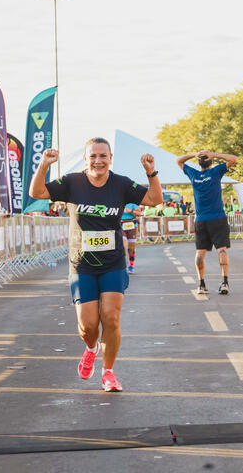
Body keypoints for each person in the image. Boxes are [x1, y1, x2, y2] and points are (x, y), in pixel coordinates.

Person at [29, 137, 162, 392]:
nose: (98, 161)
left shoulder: (121, 184)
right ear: (85, 158)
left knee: (111, 318)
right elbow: (36, 193)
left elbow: (154, 200)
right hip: (82, 265)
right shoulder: (71, 182)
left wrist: (151, 173)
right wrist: (44, 164)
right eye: (93, 156)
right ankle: (90, 349)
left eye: (103, 156)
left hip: (112, 262)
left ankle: (109, 372)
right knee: (88, 326)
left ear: (110, 158)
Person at [176, 149, 238, 295]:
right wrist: (215, 154)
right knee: (221, 250)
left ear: (199, 163)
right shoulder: (215, 172)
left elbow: (178, 160)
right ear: (210, 161)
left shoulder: (194, 174)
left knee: (200, 252)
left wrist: (194, 154)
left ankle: (201, 284)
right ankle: (224, 283)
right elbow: (233, 159)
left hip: (201, 220)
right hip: (217, 218)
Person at [121, 203, 143, 273]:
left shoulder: (132, 204)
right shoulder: (118, 200)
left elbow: (140, 213)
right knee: (124, 246)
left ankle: (131, 265)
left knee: (131, 248)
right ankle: (124, 263)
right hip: (121, 226)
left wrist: (131, 211)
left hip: (132, 227)